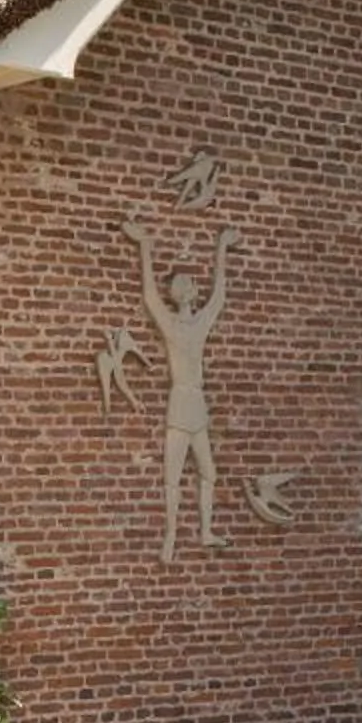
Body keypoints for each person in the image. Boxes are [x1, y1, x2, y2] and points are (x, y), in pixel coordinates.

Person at [128, 218, 237, 560]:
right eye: (189, 284)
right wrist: (144, 245)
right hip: (179, 404)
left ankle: (205, 531)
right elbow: (148, 294)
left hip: (196, 404)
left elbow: (220, 293)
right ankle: (171, 536)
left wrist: (222, 248)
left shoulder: (200, 323)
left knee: (209, 472)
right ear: (183, 293)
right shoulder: (171, 324)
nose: (194, 288)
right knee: (171, 474)